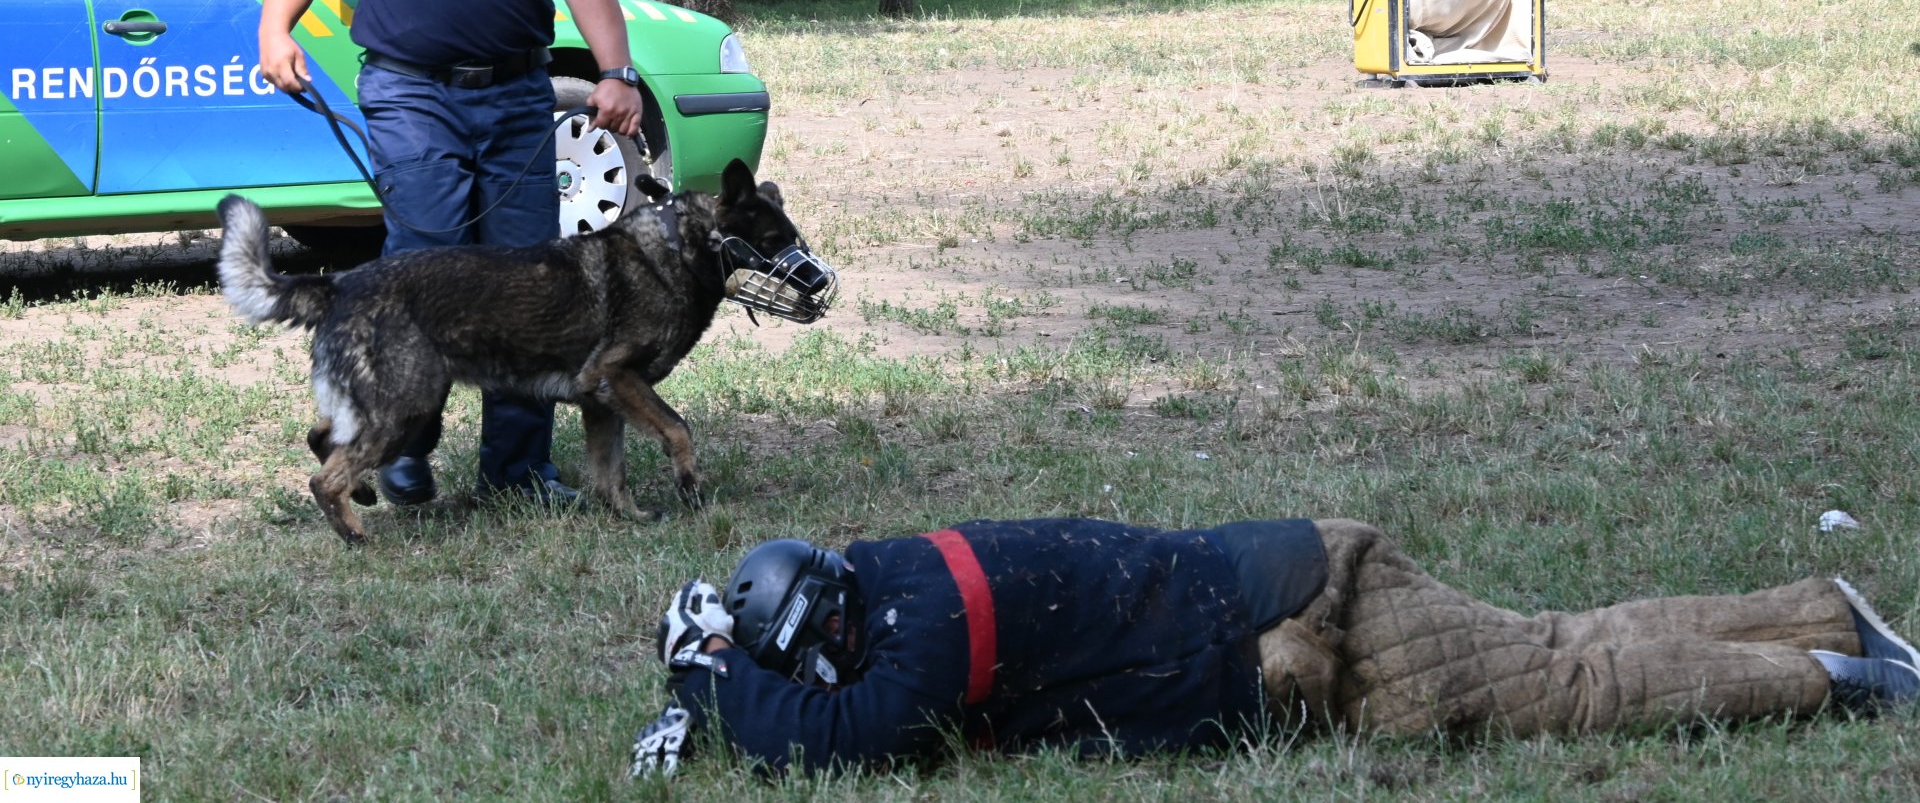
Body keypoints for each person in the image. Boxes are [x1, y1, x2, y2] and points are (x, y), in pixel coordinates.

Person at [630, 516, 1920, 777]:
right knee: (1561, 643)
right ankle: (1820, 607)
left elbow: (838, 739)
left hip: (1316, 621)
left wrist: (702, 668)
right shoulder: (901, 567)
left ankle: (1837, 671)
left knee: (1573, 679)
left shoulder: (917, 651)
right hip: (1291, 585)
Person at [256, 0, 644, 509]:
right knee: (421, 271)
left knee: (534, 286)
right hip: (407, 93)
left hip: (513, 100)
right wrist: (274, 30)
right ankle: (400, 449)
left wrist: (617, 72)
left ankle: (519, 470)